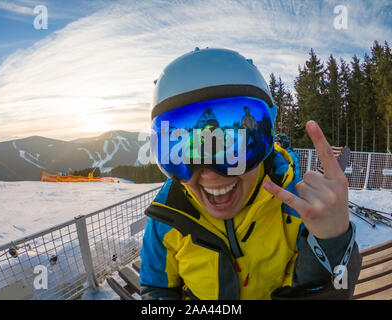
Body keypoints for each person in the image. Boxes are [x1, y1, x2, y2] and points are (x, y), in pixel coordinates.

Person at [140, 48, 362, 300]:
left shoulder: (297, 206)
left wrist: (333, 244)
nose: (212, 174)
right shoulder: (166, 218)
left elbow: (323, 289)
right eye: (188, 157)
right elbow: (157, 287)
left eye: (236, 151)